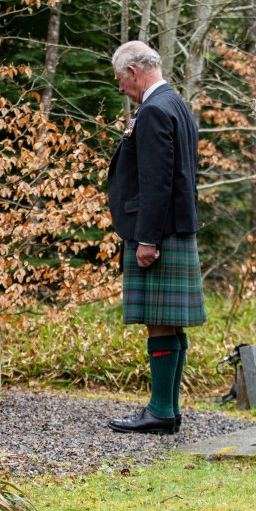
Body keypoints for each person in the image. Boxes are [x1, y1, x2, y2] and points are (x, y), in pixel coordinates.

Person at [106, 40, 206, 435]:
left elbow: (156, 180)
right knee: (171, 323)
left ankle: (162, 411)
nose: (120, 89)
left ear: (133, 72)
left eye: (120, 79)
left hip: (157, 232)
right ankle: (167, 409)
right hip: (176, 228)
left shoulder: (153, 111)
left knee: (160, 322)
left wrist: (148, 238)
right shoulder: (178, 105)